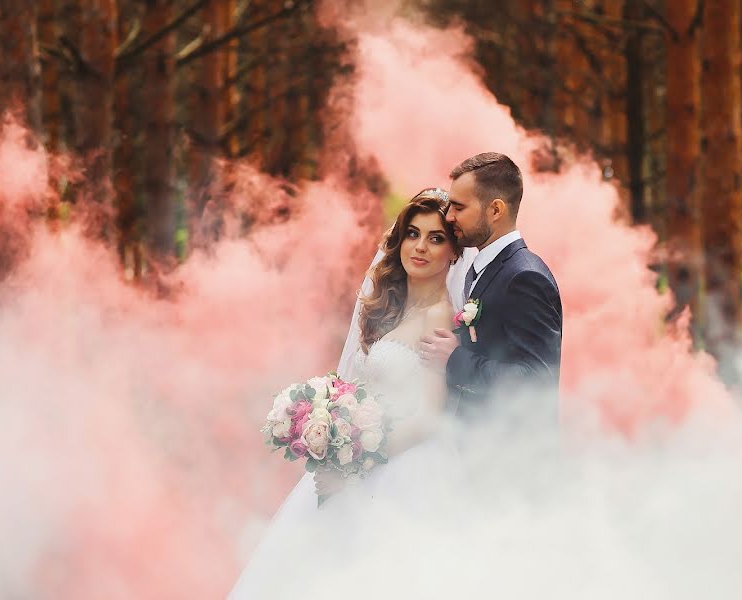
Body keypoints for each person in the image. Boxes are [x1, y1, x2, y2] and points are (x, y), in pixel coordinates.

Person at [228, 189, 467, 598]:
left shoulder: (438, 314)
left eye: (436, 237)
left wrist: (357, 463)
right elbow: (356, 388)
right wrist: (330, 421)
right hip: (367, 458)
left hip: (404, 470)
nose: (421, 247)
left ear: (453, 252)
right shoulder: (390, 310)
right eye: (412, 233)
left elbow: (430, 416)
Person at [420, 152, 563, 413]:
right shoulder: (483, 269)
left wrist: (455, 359)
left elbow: (536, 383)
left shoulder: (525, 277)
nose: (449, 216)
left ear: (495, 210)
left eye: (459, 207)